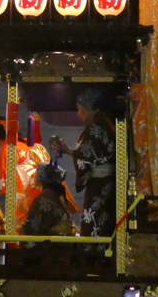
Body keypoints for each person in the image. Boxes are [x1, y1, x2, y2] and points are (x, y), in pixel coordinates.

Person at [49, 89, 117, 237]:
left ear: (90, 109)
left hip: (100, 183)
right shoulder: (102, 123)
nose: (79, 114)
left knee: (94, 219)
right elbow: (86, 154)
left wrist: (69, 151)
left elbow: (85, 155)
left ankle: (94, 252)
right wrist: (67, 150)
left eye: (81, 110)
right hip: (103, 181)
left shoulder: (96, 127)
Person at [21, 163, 75, 236]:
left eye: (37, 172)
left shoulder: (45, 196)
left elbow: (32, 226)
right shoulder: (55, 193)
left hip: (51, 243)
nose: (34, 176)